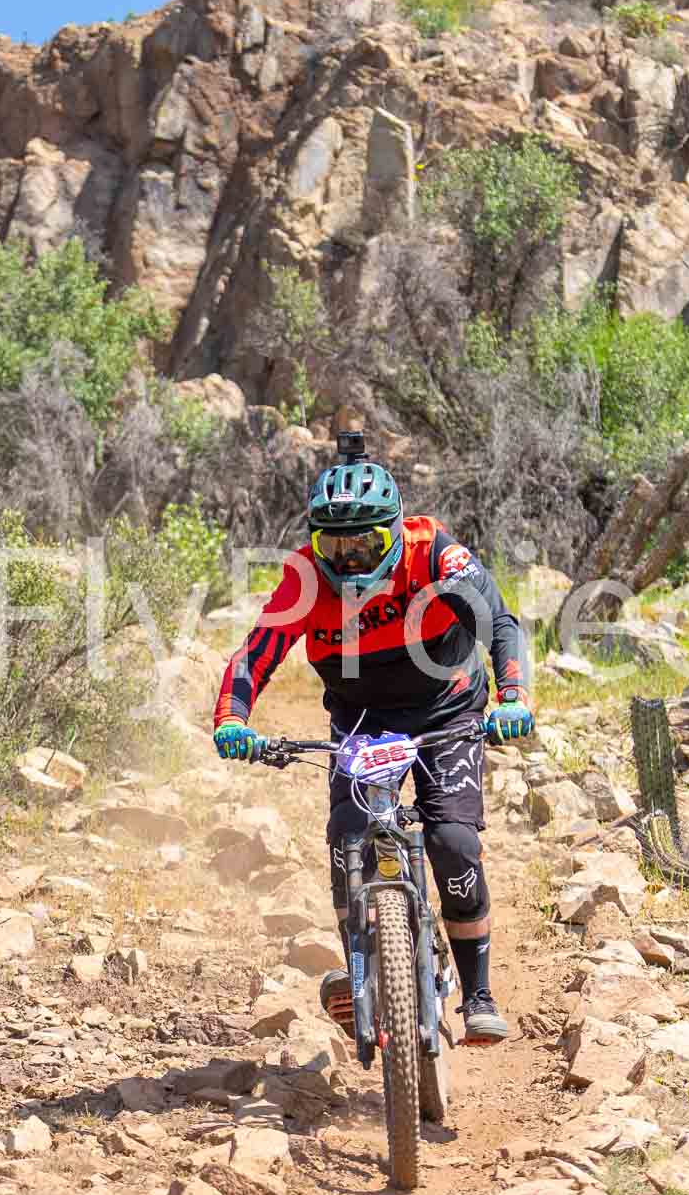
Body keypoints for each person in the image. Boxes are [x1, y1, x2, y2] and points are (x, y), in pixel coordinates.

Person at [211, 437, 533, 1041]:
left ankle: (479, 994)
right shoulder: (306, 578)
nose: (350, 560)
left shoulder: (435, 554)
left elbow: (499, 622)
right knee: (346, 835)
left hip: (447, 707)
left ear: (394, 533)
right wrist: (232, 718)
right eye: (334, 544)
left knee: (454, 842)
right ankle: (362, 969)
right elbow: (256, 653)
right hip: (363, 722)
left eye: (366, 544)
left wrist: (513, 698)